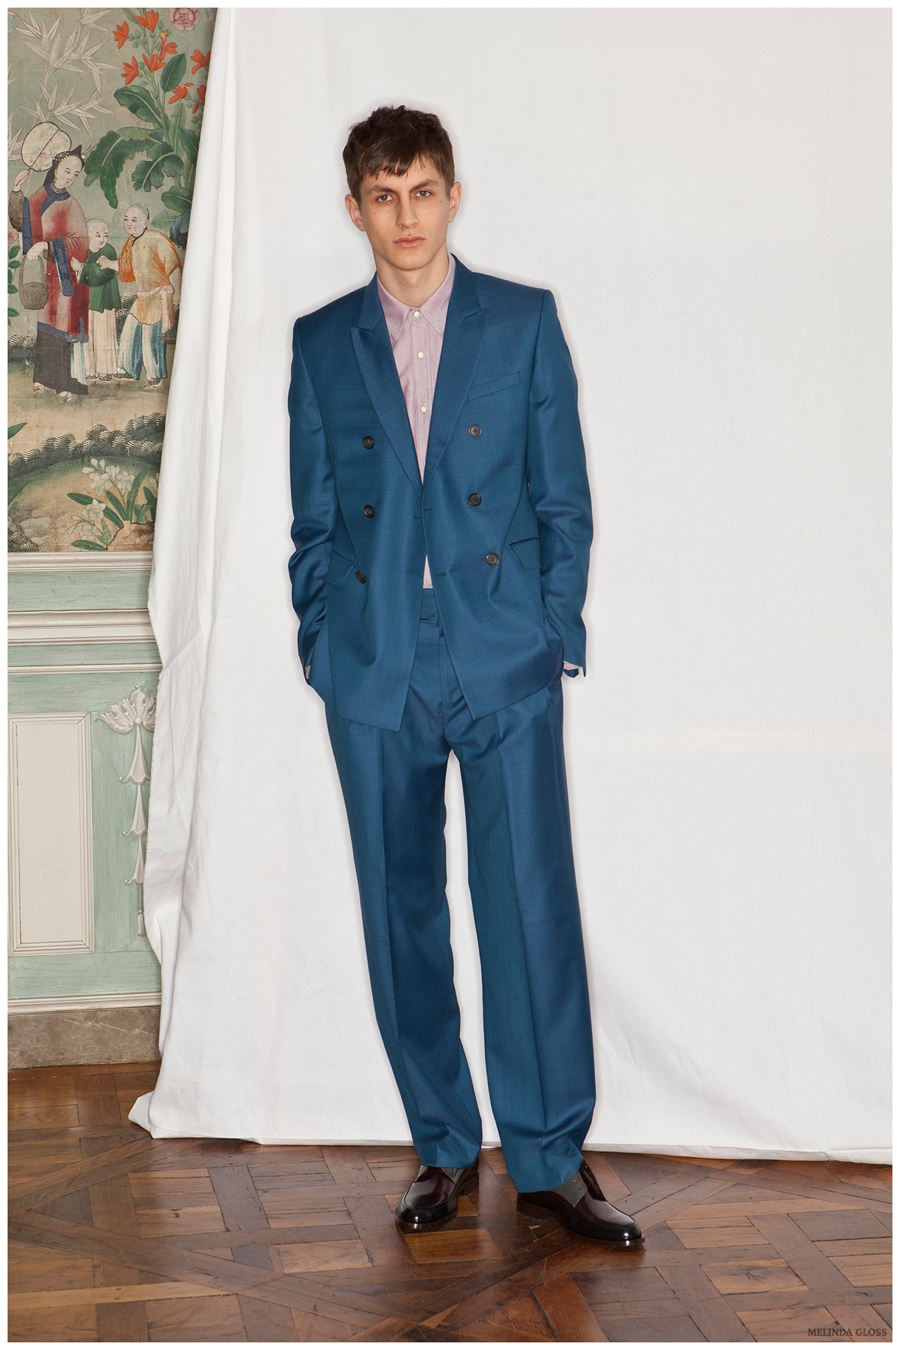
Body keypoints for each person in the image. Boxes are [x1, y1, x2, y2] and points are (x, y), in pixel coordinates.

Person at [287, 105, 642, 1246]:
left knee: (529, 903)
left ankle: (549, 1158)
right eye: (383, 195)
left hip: (501, 655)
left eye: (423, 190)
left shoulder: (523, 321)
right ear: (355, 209)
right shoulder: (320, 341)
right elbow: (313, 520)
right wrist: (322, 644)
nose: (406, 214)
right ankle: (442, 1145)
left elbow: (562, 498)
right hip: (376, 662)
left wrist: (550, 633)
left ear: (453, 195)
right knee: (402, 912)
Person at [8, 148, 90, 400]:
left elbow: (81, 243)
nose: (69, 177)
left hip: (64, 274)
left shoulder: (72, 205)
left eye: (75, 174)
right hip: (44, 272)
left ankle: (62, 383)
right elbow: (22, 221)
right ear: (56, 169)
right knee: (45, 325)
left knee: (61, 325)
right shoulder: (40, 196)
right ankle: (42, 377)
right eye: (67, 170)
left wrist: (46, 245)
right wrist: (16, 190)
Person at [116, 204, 182, 387]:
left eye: (134, 220)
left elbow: (174, 267)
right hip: (142, 298)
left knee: (149, 337)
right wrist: (108, 264)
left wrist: (177, 295)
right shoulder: (130, 243)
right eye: (126, 219)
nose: (129, 224)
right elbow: (125, 270)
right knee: (129, 332)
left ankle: (154, 376)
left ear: (145, 222)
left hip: (159, 296)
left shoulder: (157, 239)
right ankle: (129, 369)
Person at [80, 219, 121, 382]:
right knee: (87, 335)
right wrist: (88, 268)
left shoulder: (108, 250)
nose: (102, 239)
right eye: (97, 235)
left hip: (104, 300)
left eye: (105, 235)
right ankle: (89, 370)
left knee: (103, 335)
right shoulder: (83, 251)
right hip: (86, 300)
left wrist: (84, 268)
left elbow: (102, 275)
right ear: (88, 235)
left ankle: (105, 370)